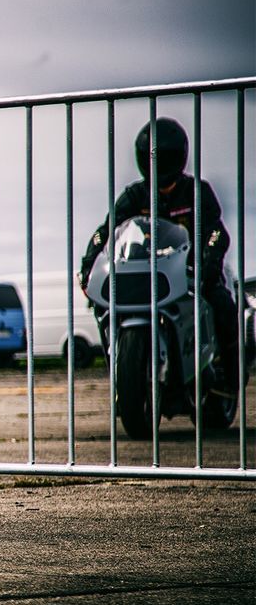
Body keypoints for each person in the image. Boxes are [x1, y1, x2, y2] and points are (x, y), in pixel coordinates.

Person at [79, 117, 238, 397]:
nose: (159, 163)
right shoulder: (135, 195)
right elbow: (105, 232)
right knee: (103, 309)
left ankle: (229, 373)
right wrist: (89, 264)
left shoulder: (196, 191)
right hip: (148, 274)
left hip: (192, 271)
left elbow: (217, 231)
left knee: (222, 305)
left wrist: (208, 262)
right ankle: (124, 379)